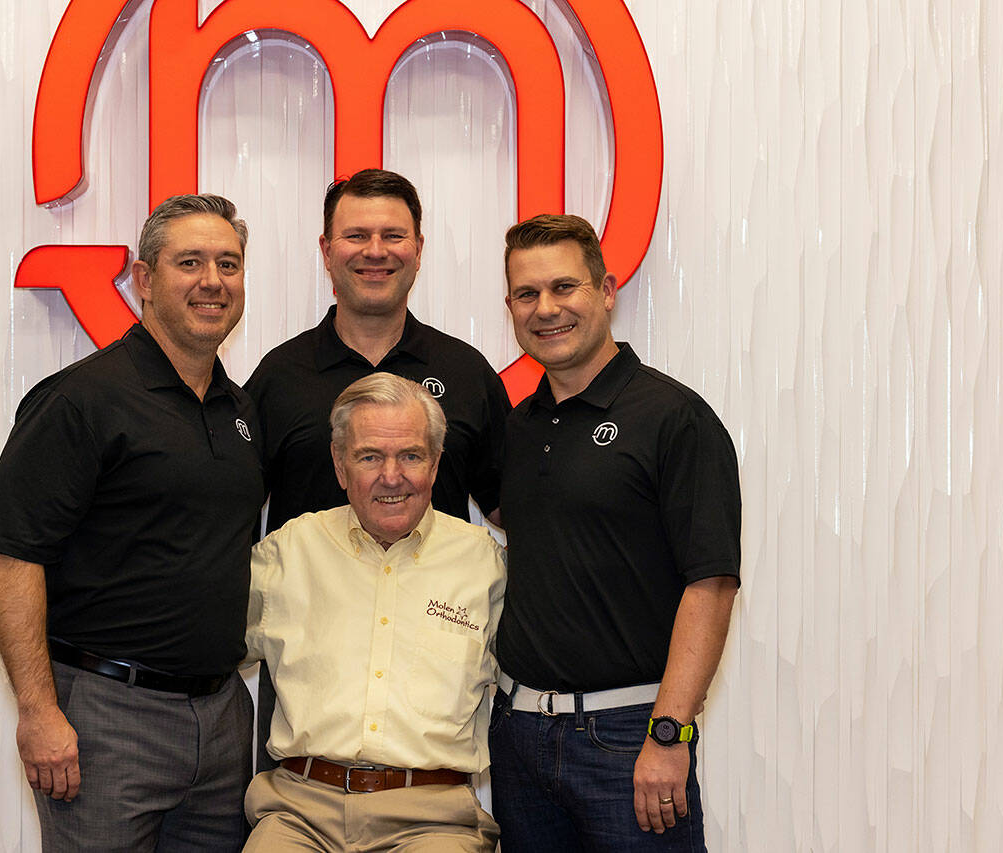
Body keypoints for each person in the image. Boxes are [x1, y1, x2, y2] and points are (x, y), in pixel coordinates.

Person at [0, 194, 264, 851]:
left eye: (229, 263)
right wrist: (39, 712)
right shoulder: (81, 400)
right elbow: (12, 555)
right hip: (108, 718)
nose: (212, 280)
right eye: (189, 261)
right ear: (143, 279)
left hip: (222, 718)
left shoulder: (239, 409)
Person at [490, 214, 741, 851]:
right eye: (527, 294)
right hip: (518, 738)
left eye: (564, 287)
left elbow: (710, 587)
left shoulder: (674, 419)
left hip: (629, 739)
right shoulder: (519, 427)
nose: (546, 308)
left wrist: (669, 736)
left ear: (606, 291)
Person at [245, 168, 511, 770]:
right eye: (355, 235)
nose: (374, 251)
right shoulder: (278, 380)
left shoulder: (467, 376)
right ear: (325, 250)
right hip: (307, 707)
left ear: (418, 250)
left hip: (426, 711)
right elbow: (227, 517)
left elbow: (516, 510)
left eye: (393, 235)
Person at [243, 373, 505, 851]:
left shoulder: (484, 562)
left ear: (436, 463)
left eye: (410, 455)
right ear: (340, 467)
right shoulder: (288, 552)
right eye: (369, 457)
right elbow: (199, 642)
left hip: (433, 821)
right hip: (300, 813)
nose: (391, 476)